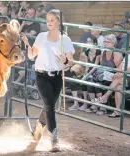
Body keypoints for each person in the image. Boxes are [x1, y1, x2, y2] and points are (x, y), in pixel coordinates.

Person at [22, 9, 75, 152]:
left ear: (59, 22)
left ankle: (37, 133)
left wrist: (66, 60)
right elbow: (32, 55)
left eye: (52, 20)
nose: (49, 23)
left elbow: (71, 62)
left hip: (57, 77)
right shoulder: (41, 36)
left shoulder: (65, 39)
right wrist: (27, 45)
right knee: (50, 106)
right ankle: (54, 140)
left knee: (47, 107)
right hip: (42, 76)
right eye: (48, 20)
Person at [91, 34, 130, 117]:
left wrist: (122, 72)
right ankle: (118, 111)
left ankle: (105, 97)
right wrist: (118, 72)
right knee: (118, 88)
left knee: (118, 80)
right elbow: (122, 64)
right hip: (125, 76)